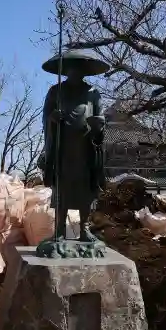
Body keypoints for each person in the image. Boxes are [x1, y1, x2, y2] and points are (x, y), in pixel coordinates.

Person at [39, 50, 109, 242]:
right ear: (66, 70)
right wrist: (53, 118)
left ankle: (84, 229)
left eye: (80, 69)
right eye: (72, 69)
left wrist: (98, 124)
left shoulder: (93, 93)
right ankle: (60, 229)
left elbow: (101, 116)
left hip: (85, 147)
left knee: (85, 188)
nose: (76, 72)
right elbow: (45, 116)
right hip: (63, 147)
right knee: (62, 187)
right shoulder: (56, 91)